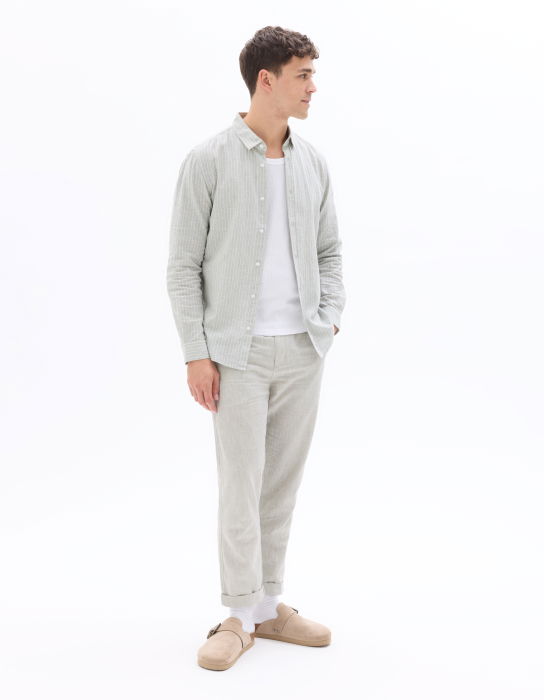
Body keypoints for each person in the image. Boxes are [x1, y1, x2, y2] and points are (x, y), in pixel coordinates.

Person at [166, 25, 346, 671]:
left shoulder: (313, 162)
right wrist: (197, 353)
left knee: (281, 487)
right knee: (239, 488)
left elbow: (330, 251)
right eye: (303, 75)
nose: (313, 87)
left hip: (302, 350)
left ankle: (268, 606)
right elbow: (183, 266)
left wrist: (329, 319)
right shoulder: (208, 160)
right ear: (266, 80)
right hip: (235, 355)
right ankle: (237, 615)